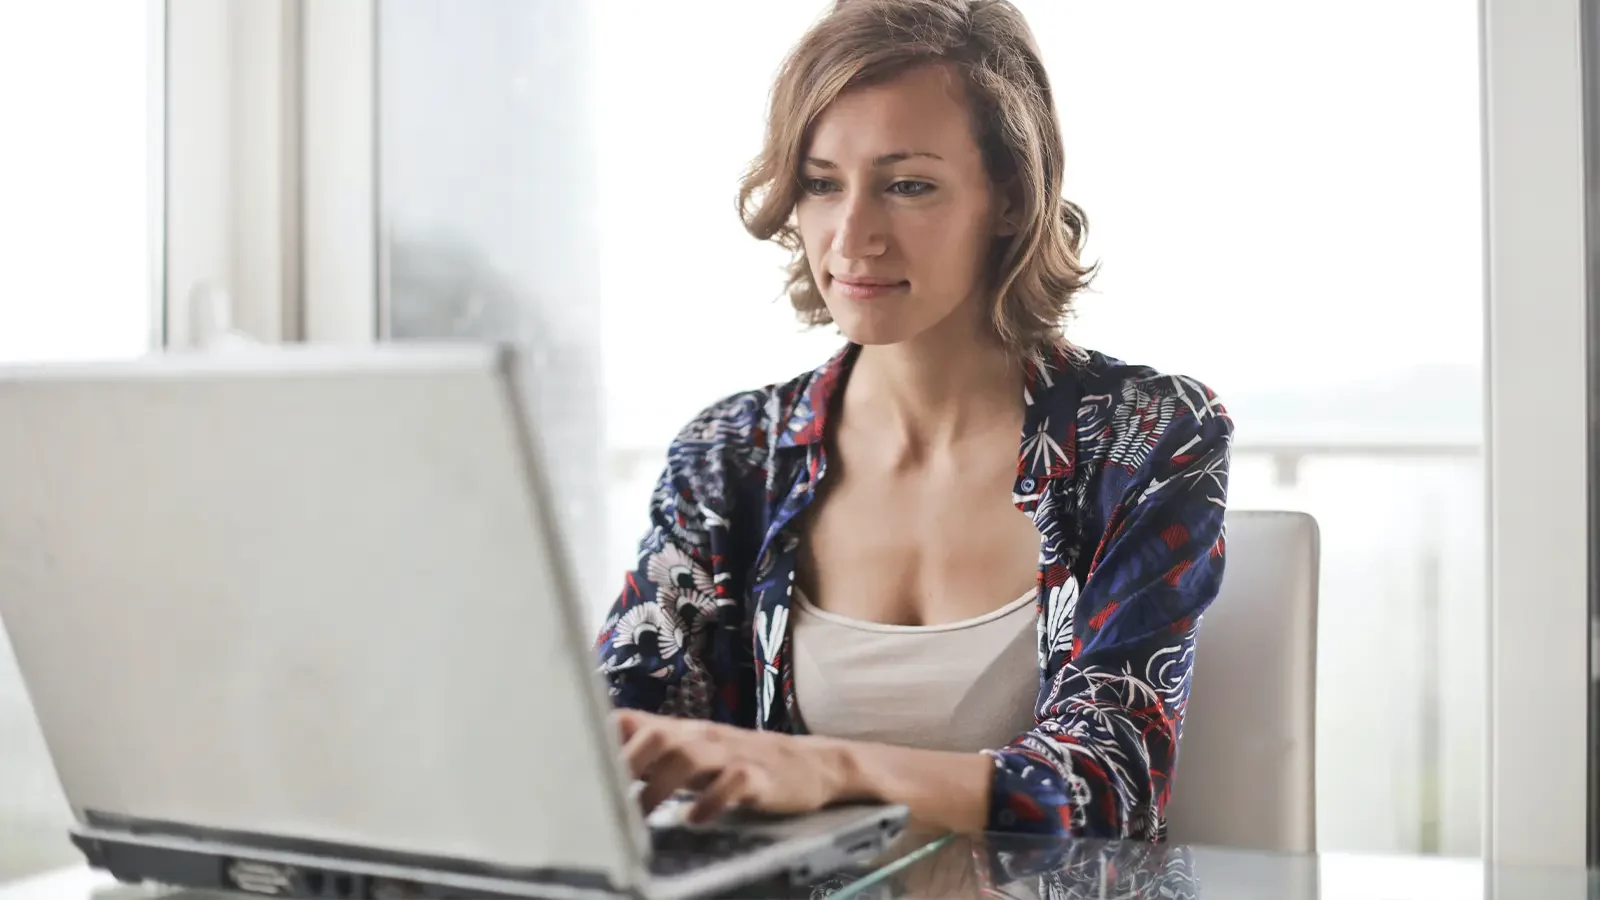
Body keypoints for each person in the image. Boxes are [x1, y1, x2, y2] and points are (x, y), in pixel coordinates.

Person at [595, 0, 1232, 840]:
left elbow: (1113, 782)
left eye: (908, 186)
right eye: (822, 184)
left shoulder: (1144, 438)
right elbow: (610, 736)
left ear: (1009, 199)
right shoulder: (732, 456)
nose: (852, 237)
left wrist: (829, 767)